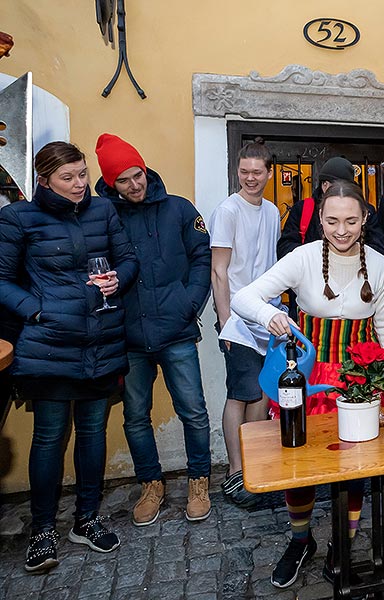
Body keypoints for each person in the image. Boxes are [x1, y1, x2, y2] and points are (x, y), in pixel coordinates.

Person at [231, 180, 384, 588]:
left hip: (361, 380)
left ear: (365, 220)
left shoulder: (379, 264)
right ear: (320, 218)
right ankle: (301, 540)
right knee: (298, 466)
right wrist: (267, 316)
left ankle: (345, 545)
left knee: (357, 468)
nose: (342, 230)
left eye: (351, 220)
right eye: (333, 220)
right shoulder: (302, 258)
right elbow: (243, 298)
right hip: (306, 381)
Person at [0, 141, 138, 572]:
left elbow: (128, 258)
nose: (79, 185)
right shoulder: (18, 218)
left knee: (93, 433)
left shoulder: (103, 211)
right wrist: (38, 310)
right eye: (68, 178)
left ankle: (87, 518)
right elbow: (2, 281)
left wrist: (119, 279)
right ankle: (42, 530)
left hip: (101, 340)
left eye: (82, 175)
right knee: (49, 438)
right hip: (48, 346)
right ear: (44, 179)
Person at [94, 133, 213, 526]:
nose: (135, 184)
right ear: (111, 183)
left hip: (176, 330)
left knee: (193, 411)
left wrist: (190, 302)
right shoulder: (101, 216)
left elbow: (201, 257)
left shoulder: (179, 209)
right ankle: (151, 484)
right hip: (129, 336)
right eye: (124, 180)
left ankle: (199, 479)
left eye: (138, 174)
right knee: (135, 415)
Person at [209, 138, 280, 509]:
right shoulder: (228, 211)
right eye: (244, 172)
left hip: (264, 317)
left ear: (268, 173)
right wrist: (226, 323)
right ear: (237, 171)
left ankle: (254, 465)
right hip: (236, 319)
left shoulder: (271, 211)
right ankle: (235, 472)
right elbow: (219, 270)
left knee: (263, 391)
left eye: (257, 172)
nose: (250, 178)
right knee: (241, 392)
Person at [277, 156, 384, 260]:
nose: (341, 231)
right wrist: (318, 258)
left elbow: (377, 250)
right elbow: (285, 248)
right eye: (332, 222)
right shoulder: (302, 209)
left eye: (351, 222)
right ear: (324, 185)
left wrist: (350, 256)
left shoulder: (365, 210)